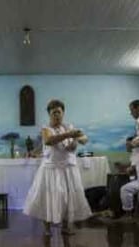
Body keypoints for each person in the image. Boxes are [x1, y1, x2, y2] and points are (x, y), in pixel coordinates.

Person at [23, 99, 92, 235]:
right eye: (54, 112)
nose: (57, 115)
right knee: (48, 197)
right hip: (51, 169)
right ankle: (47, 228)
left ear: (63, 113)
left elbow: (79, 142)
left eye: (59, 112)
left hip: (68, 168)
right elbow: (49, 141)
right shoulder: (46, 129)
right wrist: (69, 134)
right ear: (49, 114)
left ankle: (66, 226)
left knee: (68, 197)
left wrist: (76, 139)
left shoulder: (69, 127)